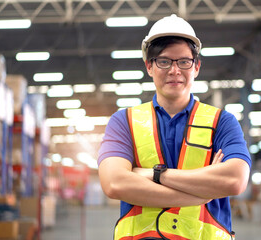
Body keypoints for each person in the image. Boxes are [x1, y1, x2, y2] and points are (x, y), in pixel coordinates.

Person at [98, 14, 251, 240]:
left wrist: (154, 175)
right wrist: (199, 194)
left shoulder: (222, 122)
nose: (174, 70)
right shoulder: (124, 122)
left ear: (196, 67)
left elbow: (234, 180)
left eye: (184, 62)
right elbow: (114, 183)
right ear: (149, 66)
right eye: (164, 61)